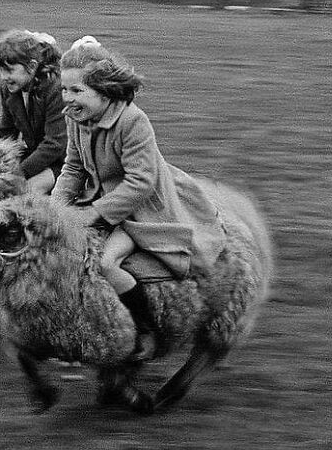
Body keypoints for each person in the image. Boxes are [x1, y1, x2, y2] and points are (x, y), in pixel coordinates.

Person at [51, 36, 227, 358]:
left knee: (105, 264)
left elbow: (141, 183)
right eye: (64, 90)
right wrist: (55, 206)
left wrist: (94, 214)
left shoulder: (133, 121)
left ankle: (145, 332)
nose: (68, 98)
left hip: (141, 211)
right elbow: (73, 167)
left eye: (77, 91)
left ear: (104, 90)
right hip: (101, 199)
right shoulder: (75, 118)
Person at [0, 29, 67, 194]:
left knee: (25, 195)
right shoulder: (9, 88)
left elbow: (55, 144)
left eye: (9, 70)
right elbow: (6, 133)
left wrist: (19, 173)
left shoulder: (55, 87)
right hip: (37, 155)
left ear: (32, 66)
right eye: (1, 70)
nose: (3, 77)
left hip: (66, 162)